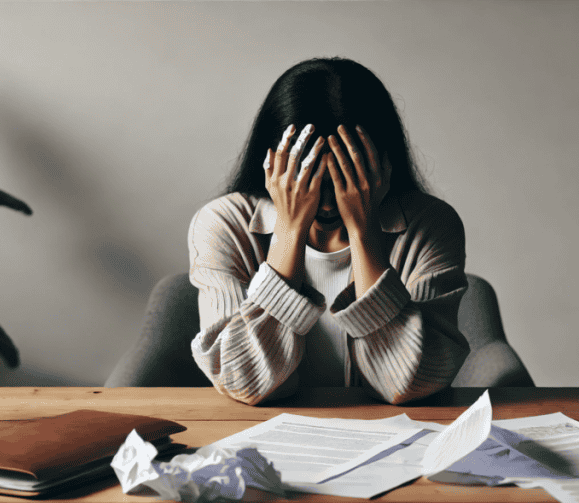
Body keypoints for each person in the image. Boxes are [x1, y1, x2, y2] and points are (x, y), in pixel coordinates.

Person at [189, 57, 470, 405]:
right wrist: (289, 231)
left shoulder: (430, 224)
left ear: (381, 165)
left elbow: (410, 383)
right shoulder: (223, 223)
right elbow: (245, 381)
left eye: (345, 178)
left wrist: (364, 230)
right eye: (309, 179)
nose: (326, 202)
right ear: (272, 164)